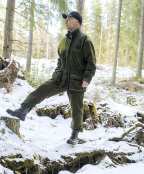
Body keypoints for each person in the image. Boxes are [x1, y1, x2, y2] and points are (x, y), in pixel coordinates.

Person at [7, 11, 96, 145]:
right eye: (65, 20)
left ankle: (74, 135)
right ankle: (23, 110)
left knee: (76, 108)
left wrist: (87, 79)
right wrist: (57, 71)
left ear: (76, 22)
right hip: (60, 78)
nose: (66, 22)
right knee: (42, 90)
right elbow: (60, 59)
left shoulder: (84, 39)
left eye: (68, 19)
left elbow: (91, 62)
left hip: (77, 80)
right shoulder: (65, 40)